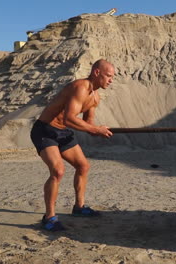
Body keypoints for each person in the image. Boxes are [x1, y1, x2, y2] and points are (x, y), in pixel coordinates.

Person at [30, 59, 115, 231]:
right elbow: (70, 118)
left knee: (83, 166)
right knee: (58, 171)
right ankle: (49, 217)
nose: (111, 80)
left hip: (63, 132)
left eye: (112, 77)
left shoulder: (95, 97)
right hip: (45, 130)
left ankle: (79, 208)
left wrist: (97, 131)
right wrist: (95, 129)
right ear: (97, 72)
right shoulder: (80, 87)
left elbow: (88, 124)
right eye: (108, 76)